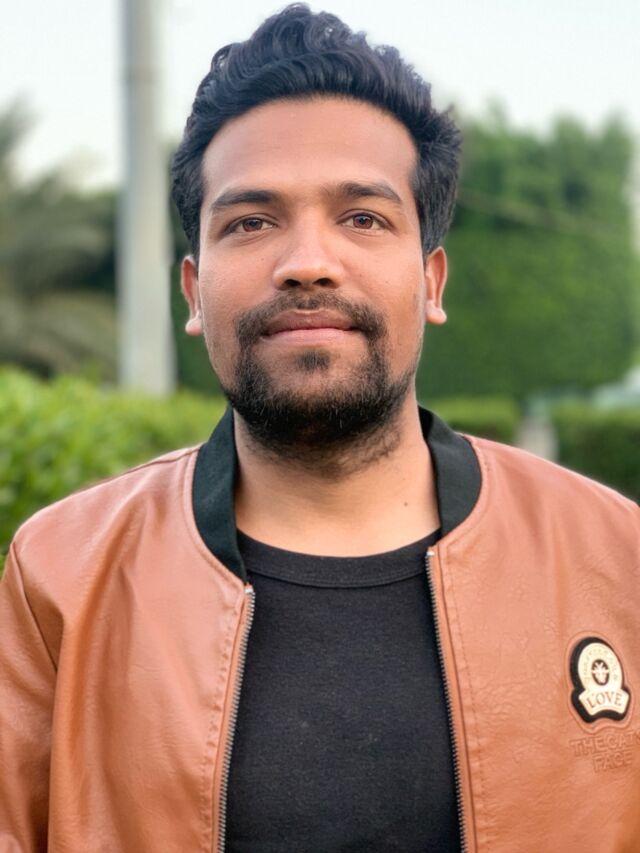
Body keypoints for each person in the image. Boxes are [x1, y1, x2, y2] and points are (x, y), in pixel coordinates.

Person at [1, 5, 639, 852]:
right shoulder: (60, 577)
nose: (307, 261)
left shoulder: (616, 559)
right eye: (250, 222)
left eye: (363, 217)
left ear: (431, 281)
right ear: (193, 292)